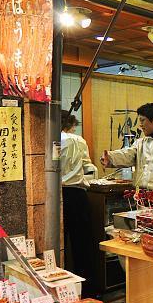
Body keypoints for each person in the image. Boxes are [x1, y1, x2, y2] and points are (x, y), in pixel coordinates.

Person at [60, 111, 97, 293]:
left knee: (61, 244)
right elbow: (88, 166)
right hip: (78, 195)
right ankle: (88, 288)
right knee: (82, 243)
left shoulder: (53, 139)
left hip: (59, 195)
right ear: (69, 124)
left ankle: (64, 288)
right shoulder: (79, 140)